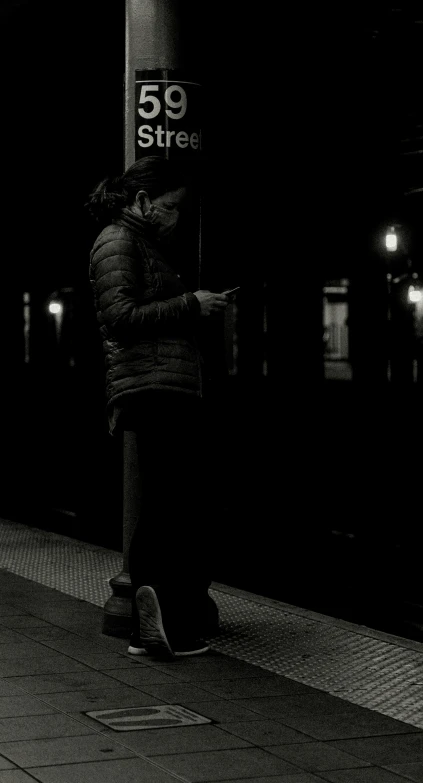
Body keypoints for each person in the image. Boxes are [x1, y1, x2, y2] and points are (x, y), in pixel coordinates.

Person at [86, 155, 229, 657]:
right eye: (171, 207)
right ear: (144, 201)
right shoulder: (118, 241)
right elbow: (120, 316)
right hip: (152, 388)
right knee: (176, 503)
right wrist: (191, 304)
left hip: (162, 385)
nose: (177, 218)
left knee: (169, 502)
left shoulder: (137, 241)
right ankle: (165, 617)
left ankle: (152, 616)